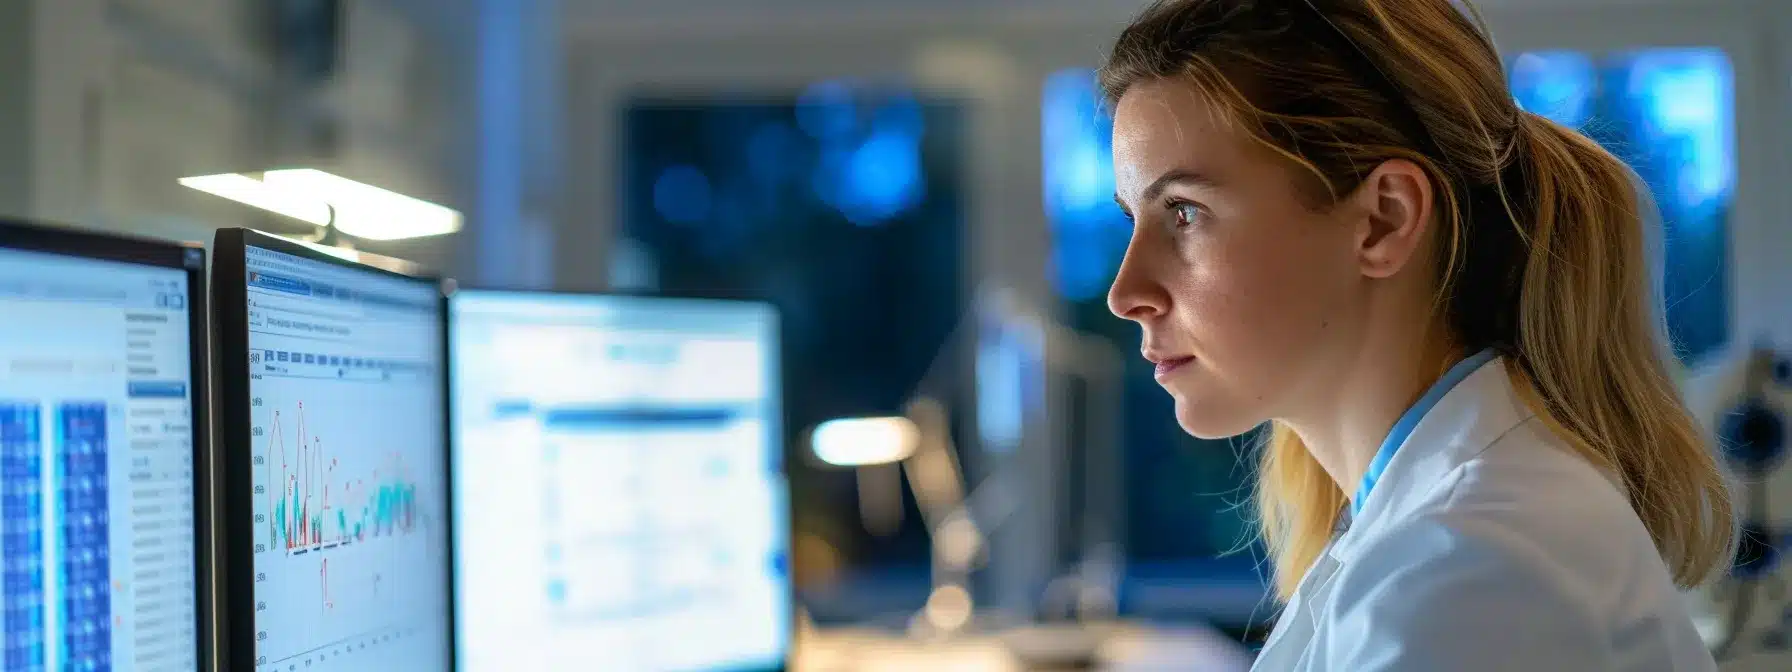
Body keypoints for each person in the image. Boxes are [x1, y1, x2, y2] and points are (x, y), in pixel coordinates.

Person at [1101, 0, 1734, 670]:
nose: (1125, 293)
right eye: (1132, 218)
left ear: (1383, 220)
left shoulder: (1475, 573)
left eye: (1185, 212)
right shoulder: (1441, 538)